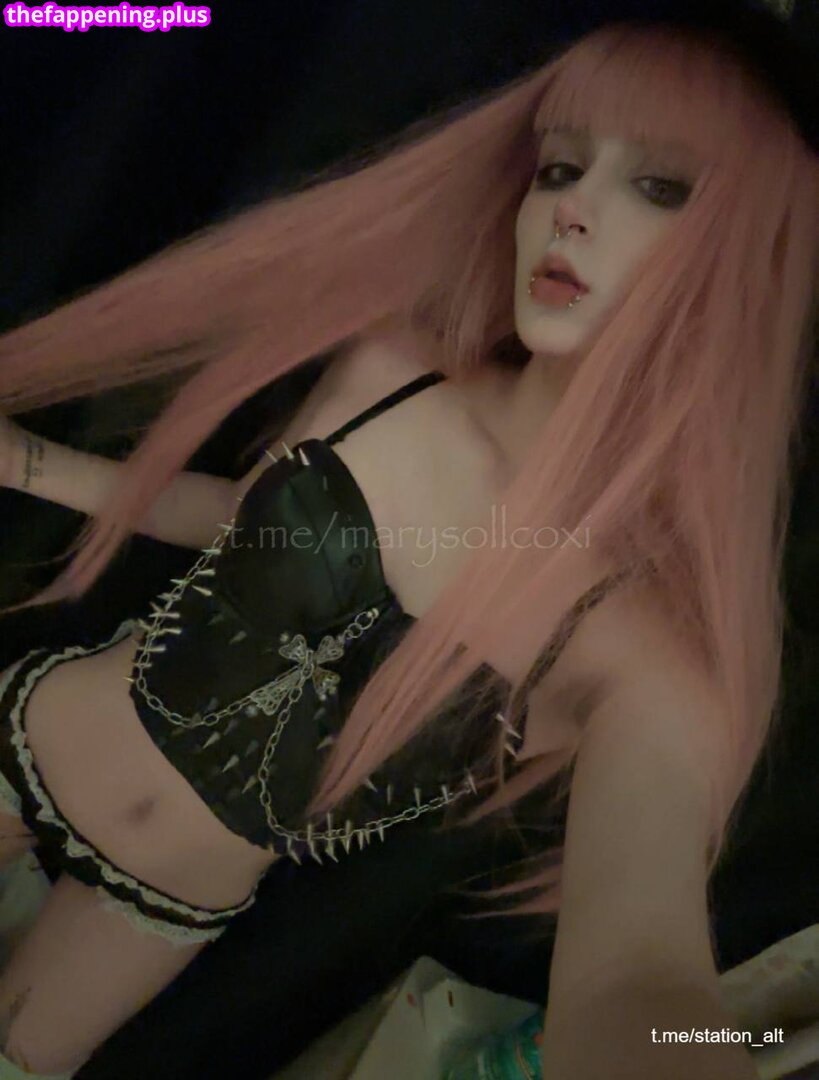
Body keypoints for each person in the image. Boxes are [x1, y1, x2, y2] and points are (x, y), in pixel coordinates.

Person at [0, 4, 816, 1078]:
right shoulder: (393, 374)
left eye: (660, 187)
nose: (569, 212)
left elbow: (639, 983)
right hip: (32, 735)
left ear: (750, 264)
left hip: (161, 903)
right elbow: (243, 518)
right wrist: (34, 466)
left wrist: (695, 1044)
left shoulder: (644, 657)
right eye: (560, 168)